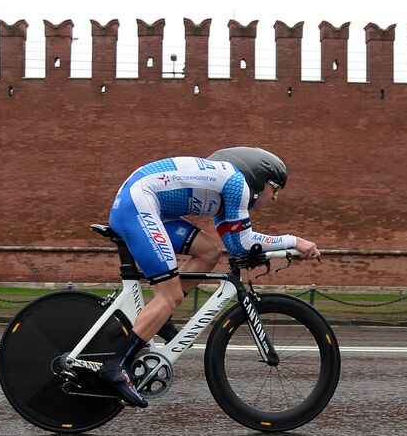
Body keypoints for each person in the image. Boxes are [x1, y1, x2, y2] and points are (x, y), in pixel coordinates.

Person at [99, 148, 321, 408]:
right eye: (275, 189)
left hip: (140, 202)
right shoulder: (237, 183)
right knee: (169, 296)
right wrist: (296, 242)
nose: (274, 199)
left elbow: (236, 246)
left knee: (209, 251)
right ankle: (117, 365)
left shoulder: (226, 189)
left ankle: (158, 318)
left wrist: (271, 251)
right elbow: (245, 241)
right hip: (138, 204)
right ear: (260, 180)